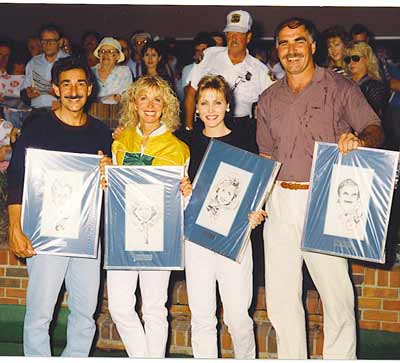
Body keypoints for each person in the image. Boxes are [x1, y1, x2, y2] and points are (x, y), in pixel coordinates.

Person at [256, 17, 384, 359]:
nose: (291, 49)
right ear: (277, 50)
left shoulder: (340, 88)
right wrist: (258, 202)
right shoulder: (268, 98)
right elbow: (265, 156)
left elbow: (374, 127)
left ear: (313, 46)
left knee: (335, 293)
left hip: (324, 198)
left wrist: (358, 139)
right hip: (280, 199)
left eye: (299, 41)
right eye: (283, 43)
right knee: (282, 296)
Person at [7, 56, 112, 356]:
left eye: (80, 83)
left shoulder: (101, 132)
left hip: (87, 236)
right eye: (66, 84)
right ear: (55, 89)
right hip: (44, 236)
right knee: (40, 314)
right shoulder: (37, 128)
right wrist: (16, 227)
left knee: (85, 313)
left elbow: (105, 189)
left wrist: (109, 171)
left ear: (90, 89)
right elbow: (17, 179)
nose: (74, 90)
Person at [106, 75, 190, 358]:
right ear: (134, 103)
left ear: (167, 105)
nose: (151, 105)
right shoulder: (120, 140)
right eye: (144, 98)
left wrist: (186, 191)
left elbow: (183, 201)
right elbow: (114, 190)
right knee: (119, 307)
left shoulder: (178, 149)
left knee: (154, 308)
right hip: (123, 235)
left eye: (157, 99)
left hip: (159, 236)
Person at [184, 74, 265, 359]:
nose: (210, 109)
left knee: (238, 317)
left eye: (217, 102)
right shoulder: (185, 144)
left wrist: (257, 213)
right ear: (196, 109)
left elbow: (257, 189)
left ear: (227, 105)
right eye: (204, 102)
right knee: (202, 316)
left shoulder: (245, 142)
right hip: (196, 241)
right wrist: (182, 189)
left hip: (235, 238)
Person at [184, 9, 272, 152]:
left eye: (240, 34)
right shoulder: (209, 55)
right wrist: (189, 129)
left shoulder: (260, 70)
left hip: (242, 128)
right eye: (231, 33)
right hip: (207, 123)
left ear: (248, 37)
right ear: (226, 35)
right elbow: (191, 92)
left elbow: (272, 105)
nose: (234, 38)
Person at [20, 23, 68, 110]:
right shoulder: (33, 62)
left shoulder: (69, 62)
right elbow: (24, 90)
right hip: (37, 110)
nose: (47, 44)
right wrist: (27, 93)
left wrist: (58, 93)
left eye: (51, 41)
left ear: (60, 42)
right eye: (44, 41)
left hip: (62, 110)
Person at [344, 41, 388, 119]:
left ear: (367, 59)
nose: (351, 62)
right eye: (348, 59)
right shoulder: (343, 83)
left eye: (355, 58)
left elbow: (371, 116)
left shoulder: (375, 86)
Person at [91, 36, 132, 104]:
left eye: (110, 51)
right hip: (93, 111)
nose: (105, 54)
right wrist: (110, 98)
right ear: (99, 55)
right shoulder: (90, 72)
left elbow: (125, 97)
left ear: (117, 56)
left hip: (116, 112)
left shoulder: (124, 72)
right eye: (102, 51)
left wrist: (100, 99)